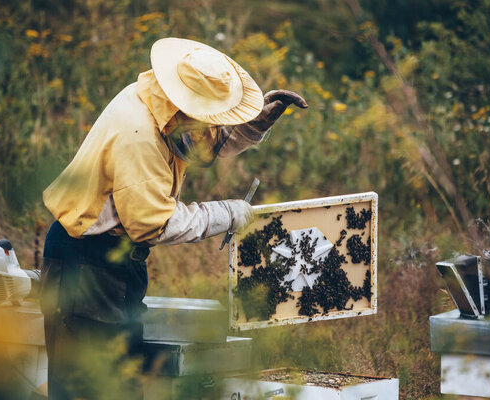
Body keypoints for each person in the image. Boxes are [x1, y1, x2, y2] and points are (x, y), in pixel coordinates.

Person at [40, 37, 307, 400]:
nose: (211, 125)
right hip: (87, 266)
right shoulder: (139, 135)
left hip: (114, 265)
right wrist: (225, 213)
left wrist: (252, 125)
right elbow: (153, 224)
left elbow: (202, 139)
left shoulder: (159, 101)